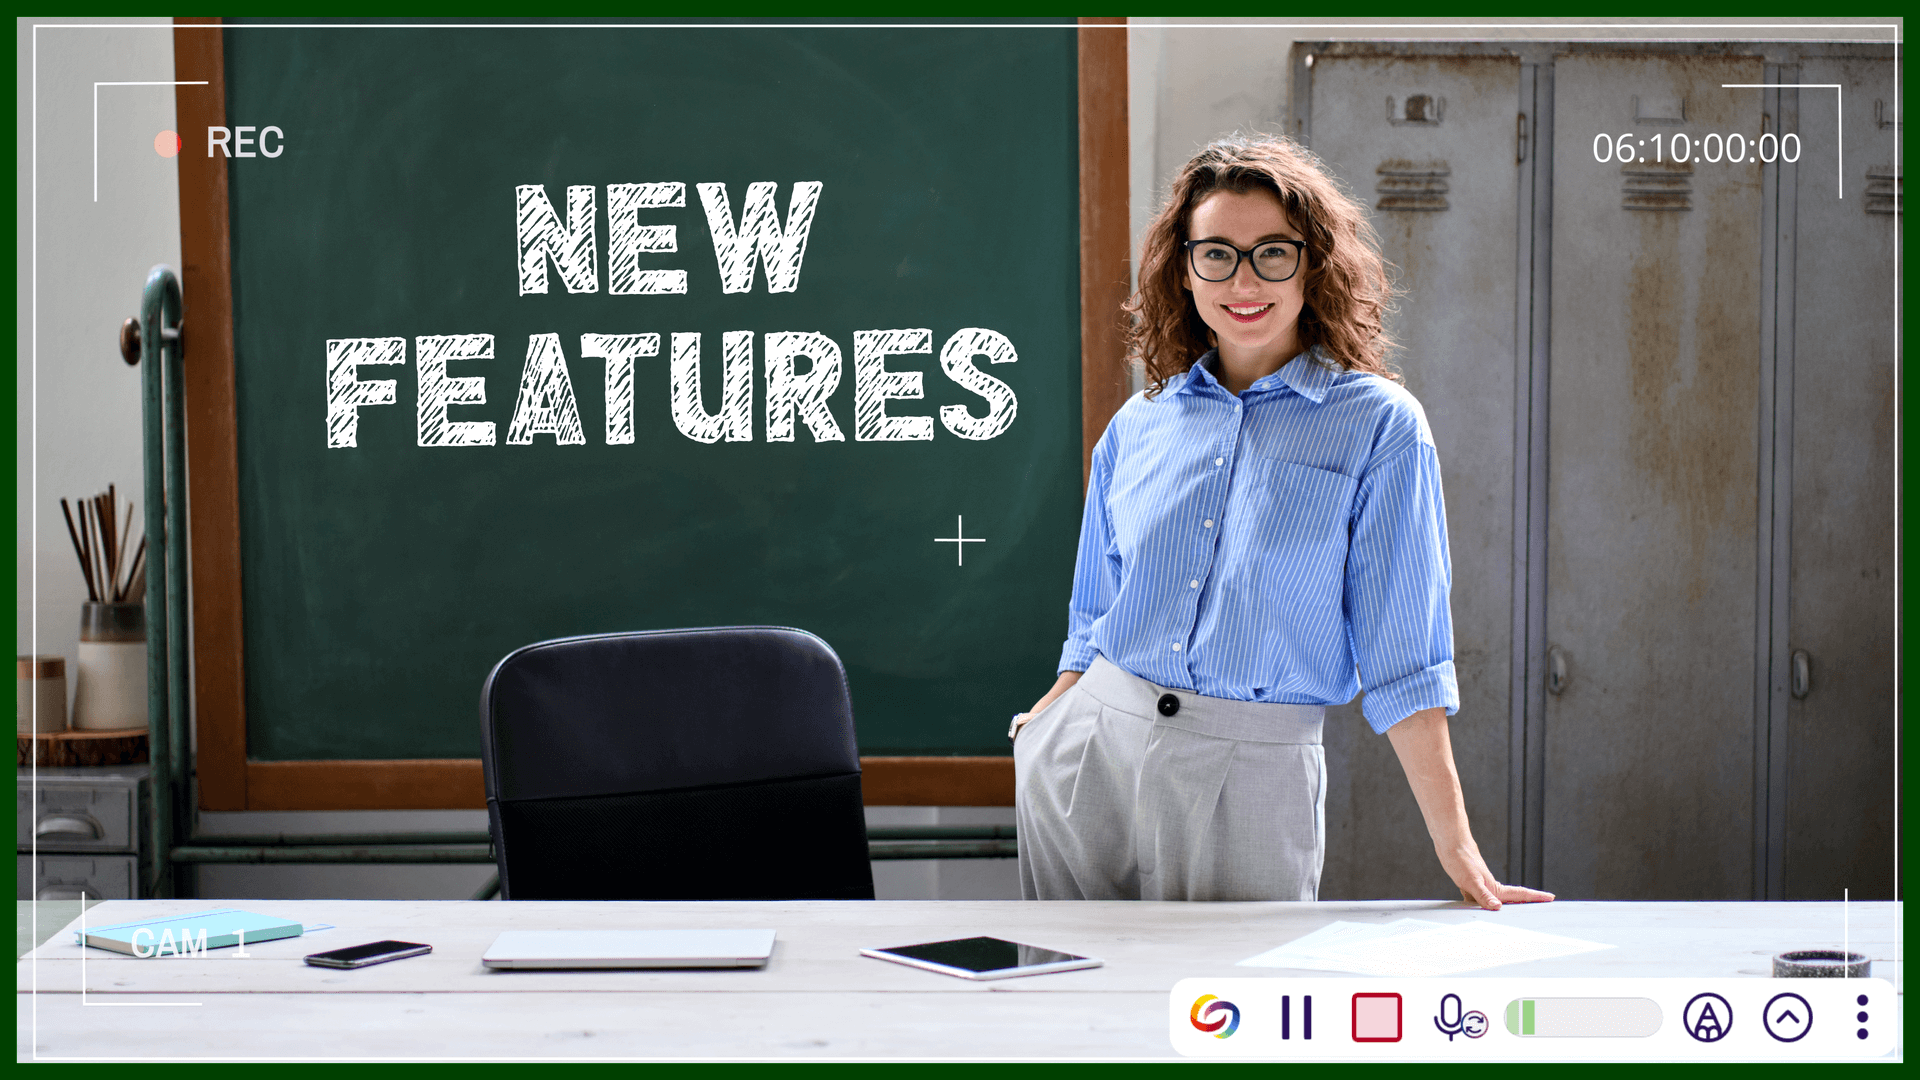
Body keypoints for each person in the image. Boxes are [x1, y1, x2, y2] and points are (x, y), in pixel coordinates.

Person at [1011, 135, 1552, 911]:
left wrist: (1456, 843)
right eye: (1217, 255)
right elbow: (1094, 609)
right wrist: (1052, 719)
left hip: (1253, 770)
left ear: (1313, 263)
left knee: (1231, 1022)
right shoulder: (1139, 423)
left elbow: (1405, 653)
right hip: (1090, 753)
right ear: (1184, 267)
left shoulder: (1380, 427)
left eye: (1272, 252)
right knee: (1072, 1008)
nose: (1243, 280)